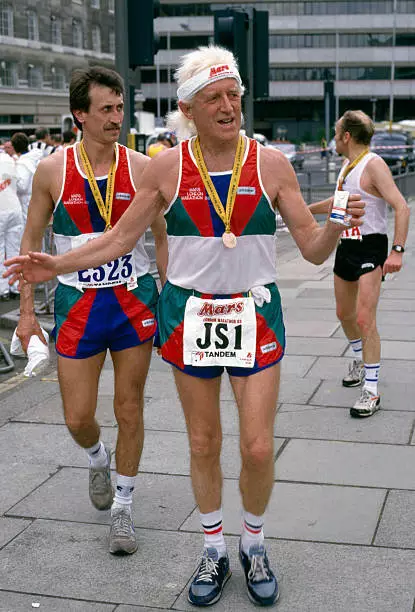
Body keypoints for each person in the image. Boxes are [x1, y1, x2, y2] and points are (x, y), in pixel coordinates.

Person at [4, 47, 364, 606]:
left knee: (259, 447)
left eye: (235, 96)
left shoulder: (270, 165)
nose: (229, 106)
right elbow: (119, 239)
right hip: (190, 315)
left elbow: (314, 250)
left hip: (254, 311)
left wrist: (339, 223)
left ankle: (256, 543)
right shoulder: (166, 167)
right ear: (188, 108)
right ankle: (214, 550)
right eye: (215, 98)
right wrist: (55, 265)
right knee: (202, 441)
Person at [8, 65, 168, 555]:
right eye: (106, 109)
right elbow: (31, 244)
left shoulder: (142, 168)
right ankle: (98, 457)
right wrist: (27, 314)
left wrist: (173, 297)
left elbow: (161, 237)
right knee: (78, 417)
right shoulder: (53, 171)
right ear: (80, 114)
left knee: (129, 407)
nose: (116, 117)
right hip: (79, 304)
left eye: (120, 107)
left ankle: (123, 505)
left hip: (134, 300)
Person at [309, 110, 410, 418]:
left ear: (347, 137)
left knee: (366, 319)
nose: (334, 138)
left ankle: (371, 389)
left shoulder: (373, 164)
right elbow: (336, 204)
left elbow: (401, 207)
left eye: (337, 133)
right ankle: (358, 358)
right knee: (344, 313)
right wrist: (296, 210)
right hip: (347, 246)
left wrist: (397, 252)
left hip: (371, 247)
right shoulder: (346, 166)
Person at [0, 145, 23, 300]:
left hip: (1, 209)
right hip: (15, 207)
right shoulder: (8, 159)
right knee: (14, 250)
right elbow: (20, 184)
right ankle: (15, 287)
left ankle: (3, 289)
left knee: (0, 251)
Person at [11, 132, 38, 225]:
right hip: (35, 199)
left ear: (14, 147)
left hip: (26, 202)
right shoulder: (34, 158)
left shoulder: (23, 163)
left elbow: (22, 186)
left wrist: (10, 178)